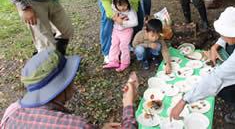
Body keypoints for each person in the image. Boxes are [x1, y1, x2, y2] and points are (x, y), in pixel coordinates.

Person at [0, 49, 139, 128]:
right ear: (61, 86)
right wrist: (128, 104)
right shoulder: (75, 125)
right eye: (69, 78)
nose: (73, 82)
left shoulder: (11, 113)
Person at [103, 0, 138, 72]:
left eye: (124, 5)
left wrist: (123, 23)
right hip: (116, 31)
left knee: (123, 46)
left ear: (128, 3)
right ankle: (113, 61)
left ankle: (125, 62)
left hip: (126, 32)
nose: (122, 8)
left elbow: (135, 22)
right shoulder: (114, 8)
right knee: (114, 44)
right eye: (119, 5)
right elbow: (109, 9)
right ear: (115, 4)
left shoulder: (130, 11)